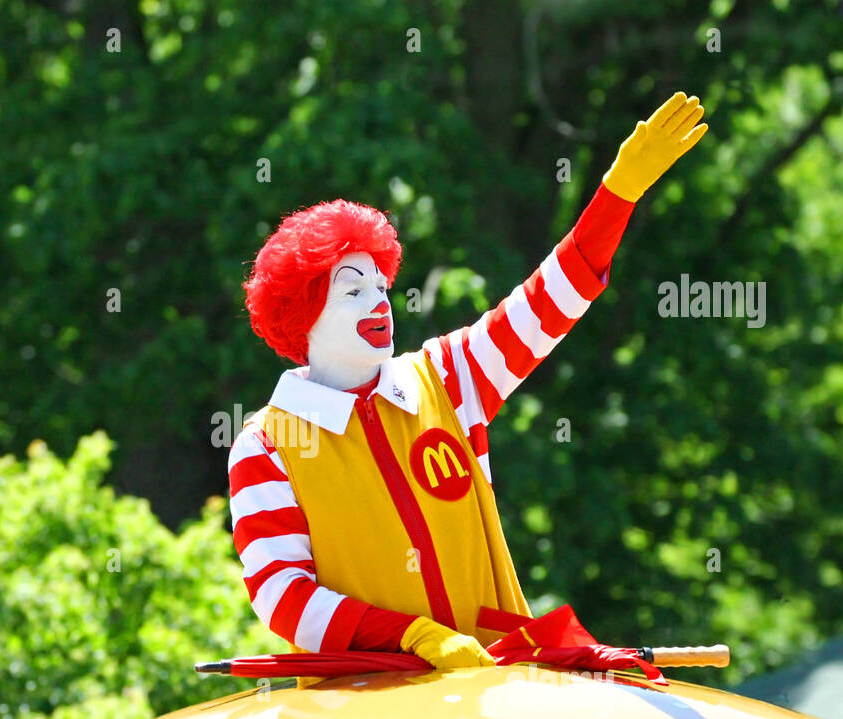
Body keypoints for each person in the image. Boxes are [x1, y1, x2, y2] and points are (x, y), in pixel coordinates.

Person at [229, 92, 708, 669]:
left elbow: (550, 299)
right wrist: (411, 636)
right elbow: (284, 599)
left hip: (496, 697)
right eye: (353, 290)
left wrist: (618, 194)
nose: (379, 301)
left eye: (382, 285)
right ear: (302, 315)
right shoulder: (265, 445)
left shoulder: (448, 378)